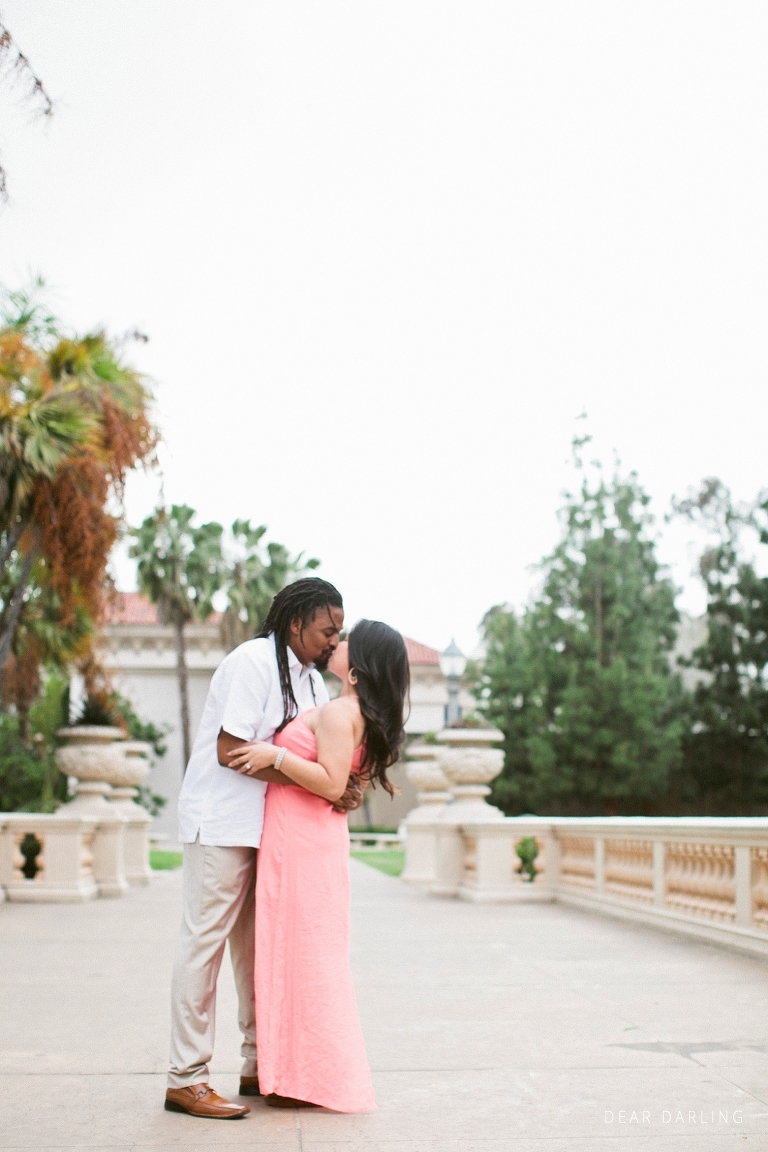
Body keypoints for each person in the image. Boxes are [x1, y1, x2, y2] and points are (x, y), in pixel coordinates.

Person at [165, 578, 363, 1120]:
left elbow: (315, 761)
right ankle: (186, 1078)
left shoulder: (314, 682)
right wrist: (317, 781)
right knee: (204, 946)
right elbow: (231, 749)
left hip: (275, 834)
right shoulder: (251, 662)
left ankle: (260, 1067)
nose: (334, 641)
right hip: (223, 823)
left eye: (339, 632)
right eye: (326, 630)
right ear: (295, 623)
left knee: (260, 954)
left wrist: (339, 784)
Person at [226, 618, 409, 1112]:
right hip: (314, 840)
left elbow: (330, 783)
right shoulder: (358, 714)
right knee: (305, 953)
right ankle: (292, 1073)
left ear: (358, 668)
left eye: (348, 640)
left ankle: (299, 1080)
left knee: (296, 953)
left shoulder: (336, 712)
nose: (337, 642)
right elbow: (346, 784)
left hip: (300, 841)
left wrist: (274, 756)